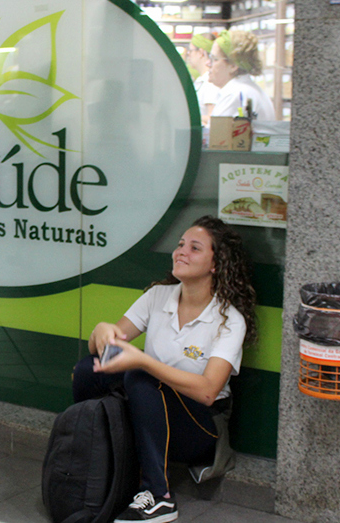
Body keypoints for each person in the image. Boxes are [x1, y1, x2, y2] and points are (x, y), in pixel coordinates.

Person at [72, 216, 257, 523]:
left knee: (143, 377)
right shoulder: (159, 295)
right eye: (180, 244)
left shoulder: (229, 319)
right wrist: (102, 331)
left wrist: (144, 361)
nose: (181, 251)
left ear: (215, 264)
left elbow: (209, 391)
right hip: (153, 409)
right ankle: (97, 461)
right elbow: (105, 348)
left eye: (195, 248)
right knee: (87, 370)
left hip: (201, 428)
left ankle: (159, 497)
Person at [207, 29, 276, 123]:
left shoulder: (235, 95)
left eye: (214, 59)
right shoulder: (248, 89)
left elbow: (218, 135)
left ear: (233, 65)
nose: (208, 63)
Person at [185, 33, 219, 126]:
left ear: (201, 52)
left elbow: (212, 119)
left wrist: (187, 117)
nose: (188, 55)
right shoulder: (201, 80)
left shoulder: (210, 83)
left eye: (191, 51)